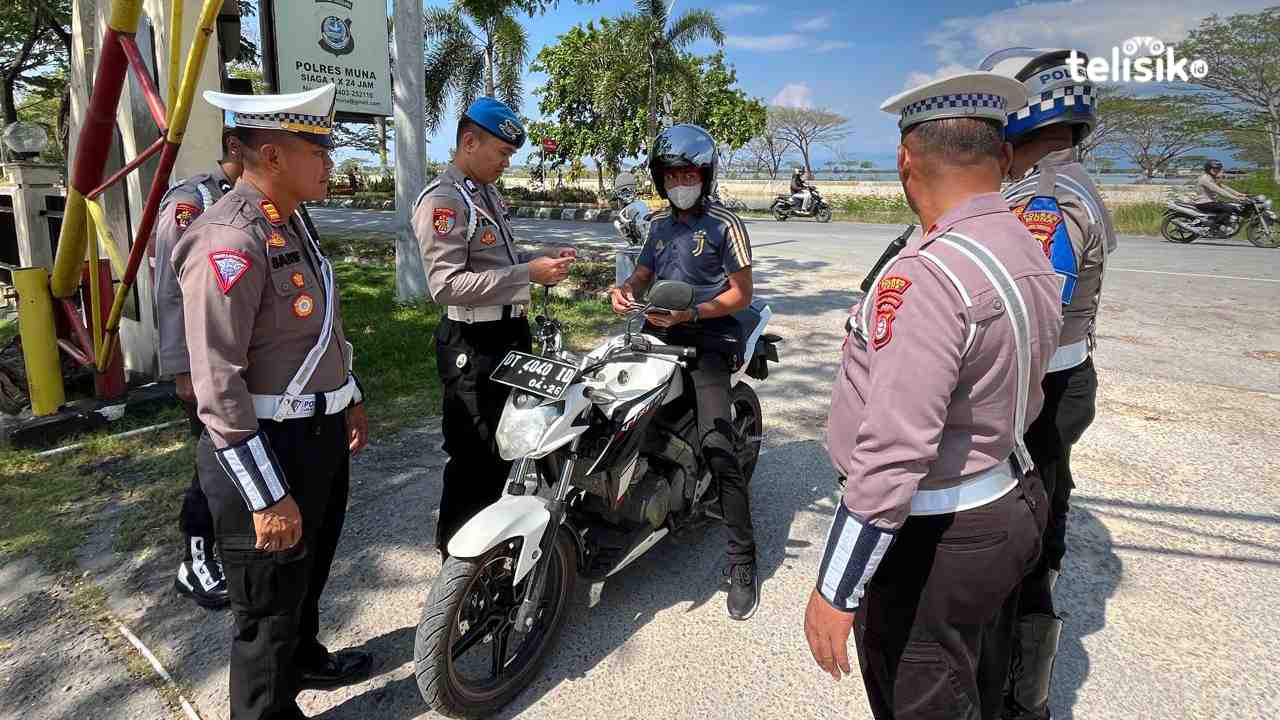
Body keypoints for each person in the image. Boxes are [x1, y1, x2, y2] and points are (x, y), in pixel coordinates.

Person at [802, 72, 1063, 720]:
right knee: (981, 672)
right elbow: (1027, 387)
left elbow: (894, 448)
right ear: (1001, 157)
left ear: (905, 158)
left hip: (936, 535)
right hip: (1011, 495)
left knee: (923, 695)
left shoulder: (927, 276)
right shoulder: (1022, 245)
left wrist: (836, 587)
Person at [173, 83, 372, 719]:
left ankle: (305, 659)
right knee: (264, 616)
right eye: (318, 146)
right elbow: (217, 384)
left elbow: (318, 329)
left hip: (316, 437)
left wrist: (350, 398)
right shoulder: (228, 240)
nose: (330, 160)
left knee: (304, 577)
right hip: (264, 448)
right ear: (274, 155)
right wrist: (267, 494)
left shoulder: (289, 220)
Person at [981, 47, 1118, 720]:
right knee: (1044, 520)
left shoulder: (1043, 196)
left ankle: (1015, 697)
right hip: (1065, 383)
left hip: (1039, 393)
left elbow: (1029, 317)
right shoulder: (1074, 183)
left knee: (1017, 550)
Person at [610, 124, 760, 620]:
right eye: (672, 174)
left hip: (708, 338)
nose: (680, 182)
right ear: (660, 178)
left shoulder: (725, 224)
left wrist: (692, 314)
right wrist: (625, 290)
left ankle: (743, 561)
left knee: (719, 447)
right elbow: (644, 273)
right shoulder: (658, 225)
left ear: (705, 174)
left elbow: (742, 295)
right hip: (660, 332)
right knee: (613, 409)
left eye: (688, 173)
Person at [413, 97, 576, 557]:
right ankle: (457, 565)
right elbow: (447, 285)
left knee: (508, 446)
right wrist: (527, 275)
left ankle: (488, 554)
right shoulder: (443, 201)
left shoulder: (482, 194)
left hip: (507, 338)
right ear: (469, 141)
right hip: (473, 345)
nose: (506, 162)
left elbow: (497, 263)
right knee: (475, 457)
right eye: (501, 153)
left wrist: (539, 260)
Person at [153, 78, 253, 610]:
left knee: (245, 462)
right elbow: (170, 292)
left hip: (252, 366)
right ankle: (195, 560)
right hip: (206, 365)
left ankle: (237, 552)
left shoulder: (267, 204)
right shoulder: (194, 201)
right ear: (235, 146)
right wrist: (180, 367)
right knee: (213, 461)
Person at [1195, 159, 1248, 233]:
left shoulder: (1211, 177)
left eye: (1218, 169)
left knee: (1232, 207)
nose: (1217, 170)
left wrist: (1239, 194)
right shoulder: (1205, 179)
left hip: (1211, 202)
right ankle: (1214, 225)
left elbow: (1223, 187)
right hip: (1203, 203)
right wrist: (1235, 198)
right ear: (1208, 168)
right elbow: (1218, 190)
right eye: (1214, 169)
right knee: (1229, 208)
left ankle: (1224, 224)